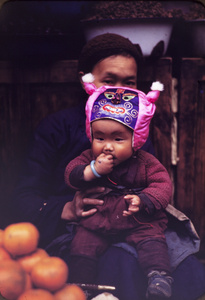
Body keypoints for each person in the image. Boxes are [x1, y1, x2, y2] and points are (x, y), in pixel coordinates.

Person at [12, 33, 205, 300]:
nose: (119, 92)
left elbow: (153, 180)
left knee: (180, 263)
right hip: (84, 228)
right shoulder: (56, 127)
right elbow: (23, 198)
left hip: (133, 222)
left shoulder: (137, 133)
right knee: (118, 262)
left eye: (129, 83)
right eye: (109, 81)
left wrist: (143, 201)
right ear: (87, 80)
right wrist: (67, 209)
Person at [64, 78, 173, 299]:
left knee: (152, 239)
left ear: (136, 140)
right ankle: (80, 286)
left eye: (118, 138)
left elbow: (163, 184)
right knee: (82, 245)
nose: (107, 145)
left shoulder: (145, 162)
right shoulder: (88, 158)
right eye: (100, 137)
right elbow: (71, 173)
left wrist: (143, 200)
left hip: (137, 219)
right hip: (99, 219)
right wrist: (91, 171)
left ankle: (159, 277)